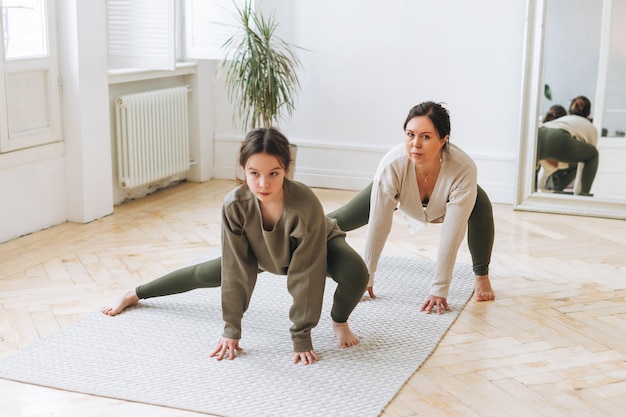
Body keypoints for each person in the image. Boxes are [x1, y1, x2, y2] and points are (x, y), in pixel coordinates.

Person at [102, 127, 368, 366]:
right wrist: (232, 328)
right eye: (254, 174)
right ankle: (135, 294)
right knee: (205, 274)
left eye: (273, 173)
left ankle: (340, 321)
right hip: (262, 251)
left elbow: (306, 276)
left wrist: (301, 335)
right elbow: (235, 271)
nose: (263, 184)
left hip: (317, 246)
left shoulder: (305, 204)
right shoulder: (234, 205)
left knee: (356, 272)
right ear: (244, 170)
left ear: (286, 169)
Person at [327, 101, 496, 315]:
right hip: (402, 195)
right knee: (337, 220)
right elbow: (379, 224)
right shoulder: (392, 164)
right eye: (410, 135)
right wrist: (365, 276)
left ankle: (482, 276)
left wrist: (439, 289)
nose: (415, 144)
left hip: (449, 205)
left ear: (443, 139)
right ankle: (293, 233)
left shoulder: (463, 169)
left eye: (425, 136)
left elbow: (451, 234)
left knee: (481, 204)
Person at [536, 96, 599, 195]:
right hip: (558, 138)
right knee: (593, 155)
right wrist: (579, 193)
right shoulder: (590, 127)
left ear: (569, 111)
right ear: (589, 114)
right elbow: (584, 164)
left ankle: (533, 193)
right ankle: (583, 195)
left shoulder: (564, 119)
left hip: (538, 133)